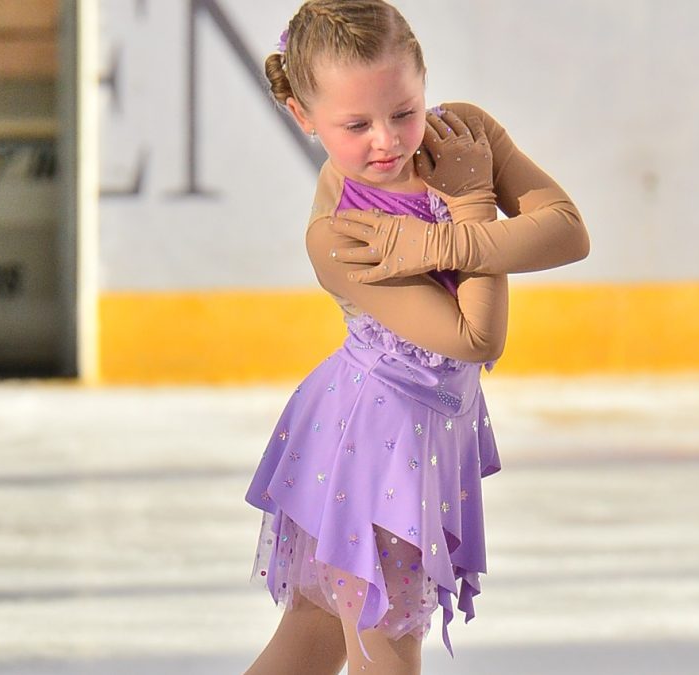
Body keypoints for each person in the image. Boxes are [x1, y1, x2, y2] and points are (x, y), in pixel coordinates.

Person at [244, 1, 589, 672]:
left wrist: (439, 237)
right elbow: (477, 335)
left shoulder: (463, 133)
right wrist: (471, 202)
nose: (387, 140)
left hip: (414, 435)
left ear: (424, 81)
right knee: (385, 648)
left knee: (313, 633)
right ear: (303, 117)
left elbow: (568, 229)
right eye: (355, 124)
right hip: (377, 447)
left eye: (403, 111)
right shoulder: (340, 235)